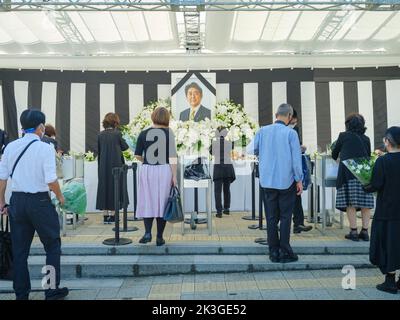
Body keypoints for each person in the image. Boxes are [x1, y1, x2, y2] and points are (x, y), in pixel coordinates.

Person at [0, 109, 68, 300]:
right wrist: (60, 197)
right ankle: (51, 290)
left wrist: (2, 202)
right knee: (52, 246)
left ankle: (21, 294)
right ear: (41, 128)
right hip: (39, 202)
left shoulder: (10, 147)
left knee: (20, 251)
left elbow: (2, 179)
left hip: (17, 201)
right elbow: (51, 180)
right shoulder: (45, 148)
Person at [248, 103, 303, 263]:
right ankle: (285, 250)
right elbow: (296, 160)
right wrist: (299, 179)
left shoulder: (263, 131)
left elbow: (250, 150)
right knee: (286, 216)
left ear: (276, 115)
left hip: (267, 181)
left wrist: (263, 151)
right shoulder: (291, 133)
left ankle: (273, 251)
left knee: (271, 217)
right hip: (286, 181)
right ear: (289, 117)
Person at [364, 127, 400, 294]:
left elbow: (376, 185)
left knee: (388, 244)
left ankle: (390, 281)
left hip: (387, 211)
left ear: (387, 141)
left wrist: (365, 186)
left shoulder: (383, 161)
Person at [135, 107, 178, 246]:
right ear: (166, 118)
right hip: (164, 170)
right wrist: (174, 176)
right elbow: (172, 156)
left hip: (148, 169)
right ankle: (159, 237)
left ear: (153, 116)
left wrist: (146, 161)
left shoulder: (143, 133)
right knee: (162, 202)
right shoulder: (168, 133)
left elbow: (137, 155)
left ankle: (147, 233)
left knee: (148, 200)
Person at [332, 113, 374, 241]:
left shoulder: (343, 136)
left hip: (348, 173)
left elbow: (334, 153)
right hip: (364, 174)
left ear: (348, 124)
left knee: (350, 202)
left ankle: (354, 232)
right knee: (365, 204)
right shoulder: (366, 139)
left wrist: (340, 157)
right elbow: (367, 155)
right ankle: (365, 232)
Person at [96, 113, 129, 224]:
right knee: (115, 187)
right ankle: (114, 215)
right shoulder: (117, 134)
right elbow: (125, 147)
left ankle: (105, 215)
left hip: (103, 166)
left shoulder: (100, 135)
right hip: (116, 165)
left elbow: (99, 151)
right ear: (115, 122)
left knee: (104, 188)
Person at [289, 110, 312, 234]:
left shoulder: (295, 129)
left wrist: (300, 147)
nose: (295, 122)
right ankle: (297, 223)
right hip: (287, 168)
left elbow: (296, 145)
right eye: (294, 119)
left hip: (292, 168)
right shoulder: (285, 130)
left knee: (297, 195)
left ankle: (298, 223)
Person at [210, 127, 236, 218]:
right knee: (227, 190)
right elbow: (232, 148)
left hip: (218, 169)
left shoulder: (214, 143)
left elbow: (211, 153)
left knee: (217, 191)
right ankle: (227, 209)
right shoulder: (229, 143)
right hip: (228, 168)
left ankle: (219, 211)